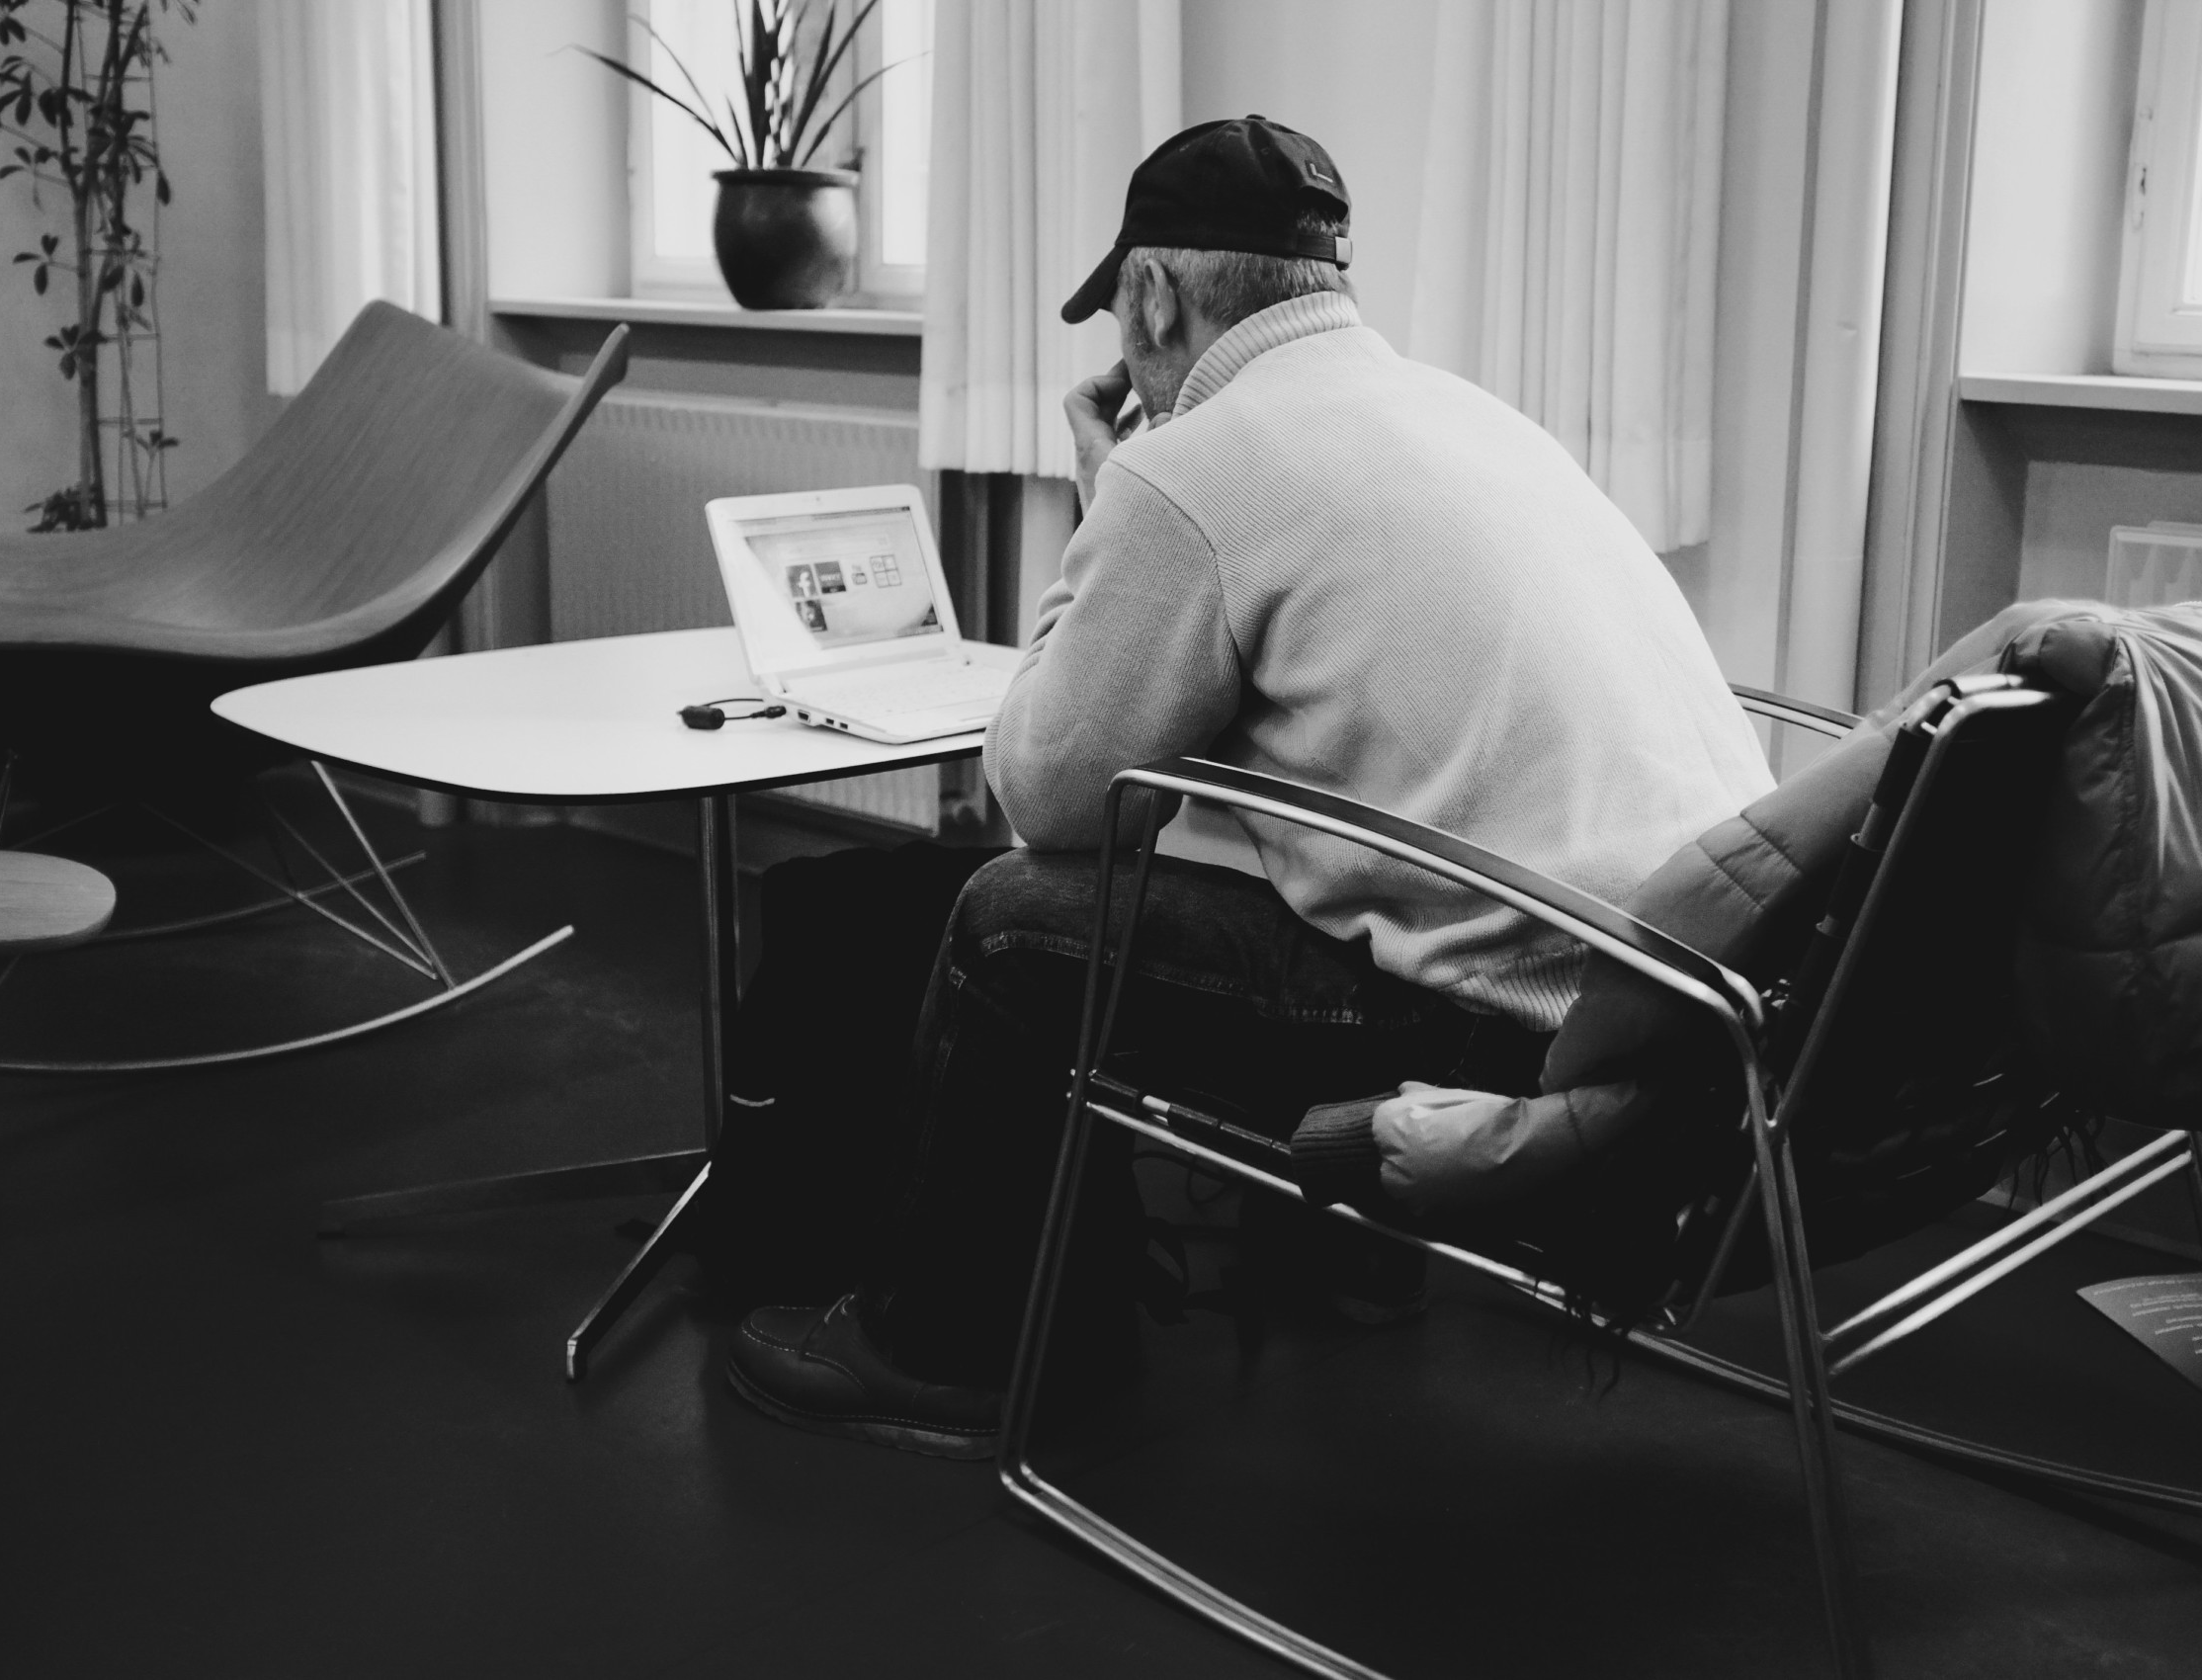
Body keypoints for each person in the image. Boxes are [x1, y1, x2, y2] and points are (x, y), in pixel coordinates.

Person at [723, 115, 1774, 1459]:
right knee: (1186, 876)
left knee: (1013, 919)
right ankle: (1208, 1273)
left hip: (1520, 1045)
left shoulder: (1192, 464)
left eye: (1122, 312)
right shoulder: (1471, 414)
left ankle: (945, 1344)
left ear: (1155, 293)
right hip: (1703, 1002)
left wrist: (1114, 506)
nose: (1124, 353)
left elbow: (1045, 800)